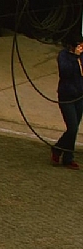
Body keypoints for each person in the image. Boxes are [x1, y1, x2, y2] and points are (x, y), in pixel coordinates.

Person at [51, 40, 83, 170]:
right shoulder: (63, 56)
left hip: (80, 96)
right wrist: (75, 58)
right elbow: (65, 72)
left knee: (75, 128)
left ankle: (68, 157)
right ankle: (57, 148)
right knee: (72, 127)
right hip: (66, 96)